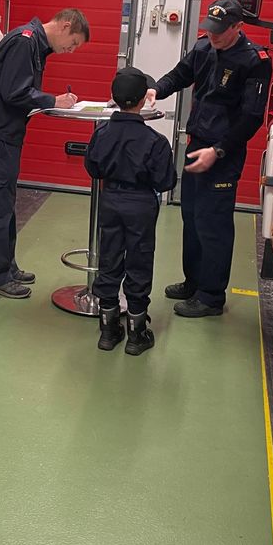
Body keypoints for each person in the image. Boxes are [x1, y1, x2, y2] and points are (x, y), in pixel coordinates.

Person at [145, 0, 272, 317]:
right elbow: (179, 75)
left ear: (238, 27)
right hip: (197, 144)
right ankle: (194, 281)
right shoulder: (204, 48)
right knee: (191, 216)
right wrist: (156, 90)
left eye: (219, 31)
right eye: (209, 29)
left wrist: (218, 151)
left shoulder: (254, 60)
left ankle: (212, 295)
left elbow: (251, 117)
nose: (212, 35)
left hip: (223, 151)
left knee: (213, 223)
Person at [0, 7, 90, 298]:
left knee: (6, 202)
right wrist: (53, 99)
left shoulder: (35, 45)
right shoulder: (25, 42)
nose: (70, 50)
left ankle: (7, 266)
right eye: (73, 43)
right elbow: (14, 92)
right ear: (65, 26)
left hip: (6, 135)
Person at [85, 68, 177, 354]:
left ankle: (108, 330)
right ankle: (137, 333)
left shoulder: (101, 134)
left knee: (109, 259)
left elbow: (92, 167)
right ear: (142, 101)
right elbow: (166, 181)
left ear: (113, 98)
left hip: (110, 201)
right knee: (139, 261)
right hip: (141, 206)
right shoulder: (155, 142)